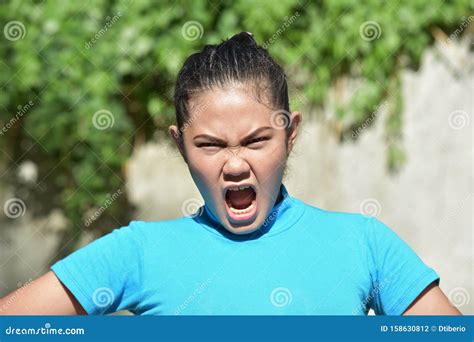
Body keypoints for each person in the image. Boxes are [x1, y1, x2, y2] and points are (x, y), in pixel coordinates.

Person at [0, 32, 461, 316]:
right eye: (210, 145)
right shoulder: (137, 252)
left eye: (257, 141)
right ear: (179, 144)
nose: (236, 164)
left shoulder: (365, 243)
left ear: (291, 133)